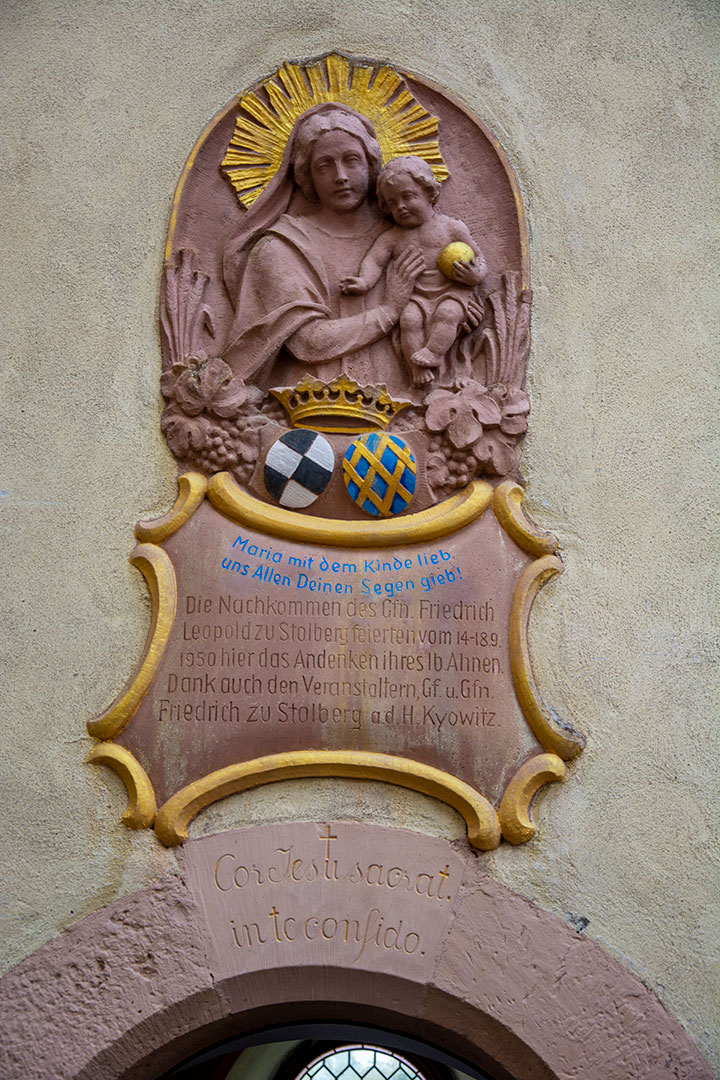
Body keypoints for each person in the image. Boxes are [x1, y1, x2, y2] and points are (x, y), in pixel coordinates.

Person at [222, 104, 425, 395]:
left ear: (371, 165)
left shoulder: (407, 238)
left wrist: (456, 303)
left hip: (398, 402)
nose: (340, 176)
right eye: (324, 166)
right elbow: (308, 342)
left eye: (351, 160)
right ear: (306, 177)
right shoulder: (280, 247)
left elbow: (436, 300)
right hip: (308, 405)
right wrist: (390, 310)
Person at [339, 156, 487, 387]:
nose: (400, 206)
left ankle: (434, 354)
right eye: (392, 202)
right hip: (416, 296)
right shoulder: (394, 237)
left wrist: (475, 275)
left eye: (408, 196)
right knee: (409, 320)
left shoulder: (451, 228)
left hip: (450, 293)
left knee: (448, 314)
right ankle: (416, 367)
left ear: (430, 193)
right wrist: (364, 282)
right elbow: (375, 260)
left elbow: (478, 257)